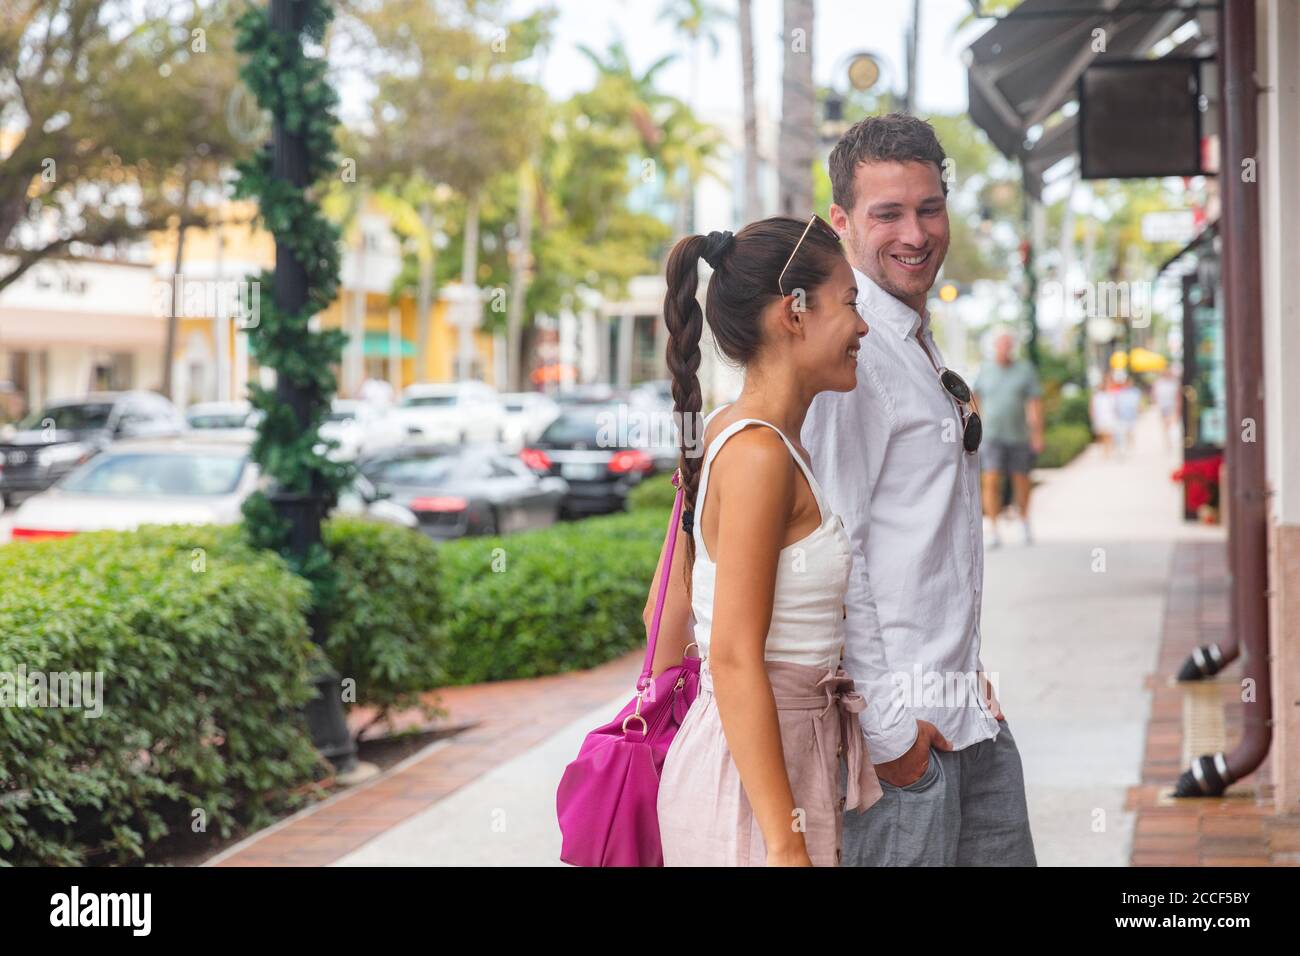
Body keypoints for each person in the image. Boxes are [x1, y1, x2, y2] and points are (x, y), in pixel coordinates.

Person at [804, 112, 1037, 866]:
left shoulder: (913, 336)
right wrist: (891, 735)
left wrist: (968, 678)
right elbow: (836, 555)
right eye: (888, 214)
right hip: (903, 752)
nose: (915, 232)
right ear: (842, 222)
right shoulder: (854, 357)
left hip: (967, 718)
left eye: (929, 207)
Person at [648, 216, 881, 867]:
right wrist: (785, 844)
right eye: (851, 304)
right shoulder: (758, 456)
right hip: (755, 786)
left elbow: (662, 619)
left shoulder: (733, 432)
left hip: (756, 763)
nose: (862, 327)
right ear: (795, 314)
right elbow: (732, 657)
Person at [973, 328, 1044, 547]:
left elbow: (1034, 404)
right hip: (991, 436)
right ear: (995, 347)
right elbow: (974, 400)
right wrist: (973, 430)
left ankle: (1024, 521)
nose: (1004, 348)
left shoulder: (1025, 370)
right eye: (1000, 344)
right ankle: (993, 528)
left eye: (1008, 344)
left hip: (1019, 435)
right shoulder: (984, 370)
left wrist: (1038, 434)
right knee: (991, 480)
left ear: (1012, 347)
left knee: (1021, 480)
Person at [1152, 367, 1180, 451]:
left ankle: (1171, 440)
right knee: (1166, 424)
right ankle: (1168, 441)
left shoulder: (1174, 382)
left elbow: (1177, 395)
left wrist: (1178, 406)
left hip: (1172, 406)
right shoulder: (1159, 383)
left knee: (1171, 423)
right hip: (1163, 406)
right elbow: (1155, 394)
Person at [1090, 371, 1118, 456]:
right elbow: (1092, 407)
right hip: (1101, 417)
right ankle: (1105, 450)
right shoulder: (1097, 395)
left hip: (1110, 416)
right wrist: (1092, 415)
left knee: (1109, 434)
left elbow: (1115, 407)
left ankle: (1108, 450)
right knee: (1102, 434)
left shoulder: (1112, 394)